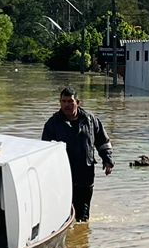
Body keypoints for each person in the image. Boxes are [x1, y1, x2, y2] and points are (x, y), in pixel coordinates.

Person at [41, 87, 114, 222]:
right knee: (63, 217)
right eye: (64, 101)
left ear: (78, 102)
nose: (67, 105)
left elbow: (103, 142)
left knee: (83, 219)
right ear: (60, 102)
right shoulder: (52, 124)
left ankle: (82, 241)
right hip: (63, 178)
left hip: (85, 176)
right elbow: (44, 152)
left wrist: (107, 160)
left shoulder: (90, 120)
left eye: (70, 101)